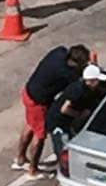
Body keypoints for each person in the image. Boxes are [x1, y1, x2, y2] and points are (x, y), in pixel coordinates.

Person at [15, 45, 90, 177]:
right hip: (39, 102)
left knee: (30, 125)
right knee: (39, 135)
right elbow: (79, 81)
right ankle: (33, 170)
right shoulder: (66, 73)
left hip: (29, 91)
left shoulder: (58, 52)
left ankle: (21, 158)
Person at [46, 64, 106, 186]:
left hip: (65, 124)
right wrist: (79, 115)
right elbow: (65, 109)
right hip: (58, 124)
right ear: (90, 81)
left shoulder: (85, 89)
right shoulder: (78, 91)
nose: (99, 84)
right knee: (63, 153)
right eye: (97, 81)